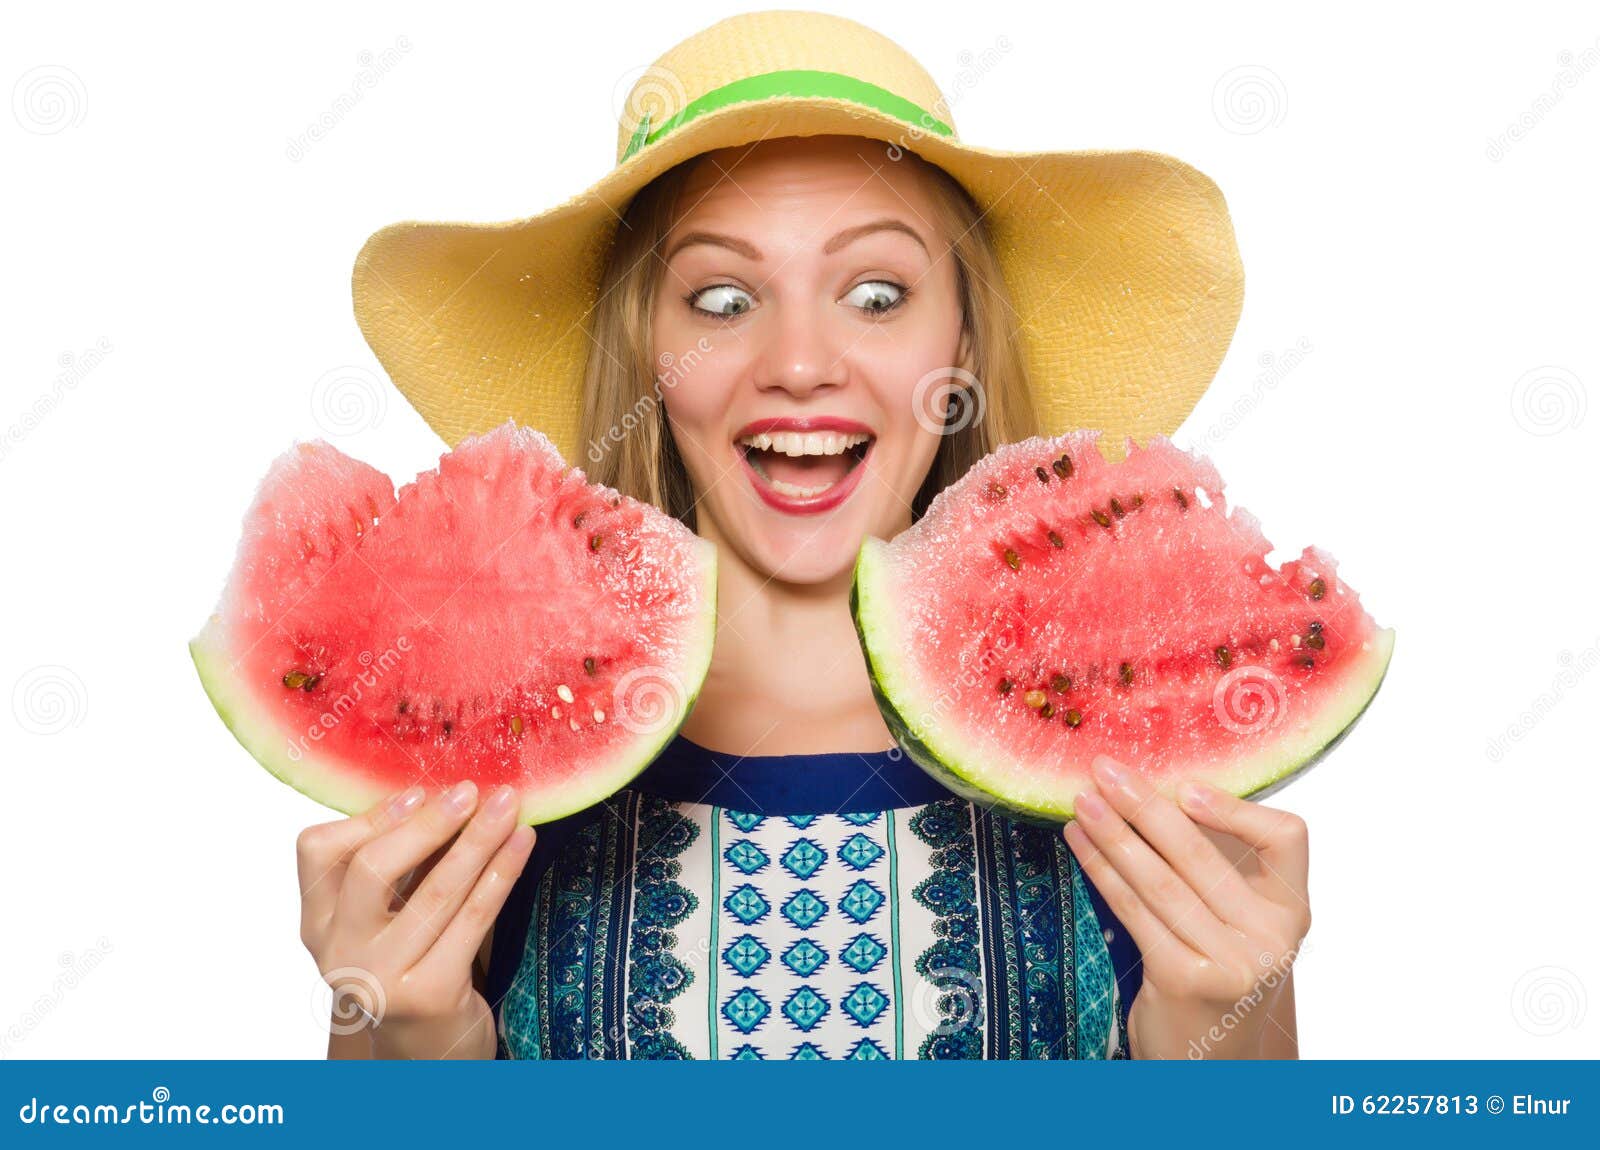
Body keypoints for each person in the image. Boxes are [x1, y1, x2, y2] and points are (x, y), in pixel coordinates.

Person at [298, 10, 1307, 1060]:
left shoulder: (1126, 762)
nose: (798, 361)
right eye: (722, 298)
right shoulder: (481, 780)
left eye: (876, 294)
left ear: (961, 336)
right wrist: (407, 1053)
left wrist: (1229, 1038)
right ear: (648, 350)